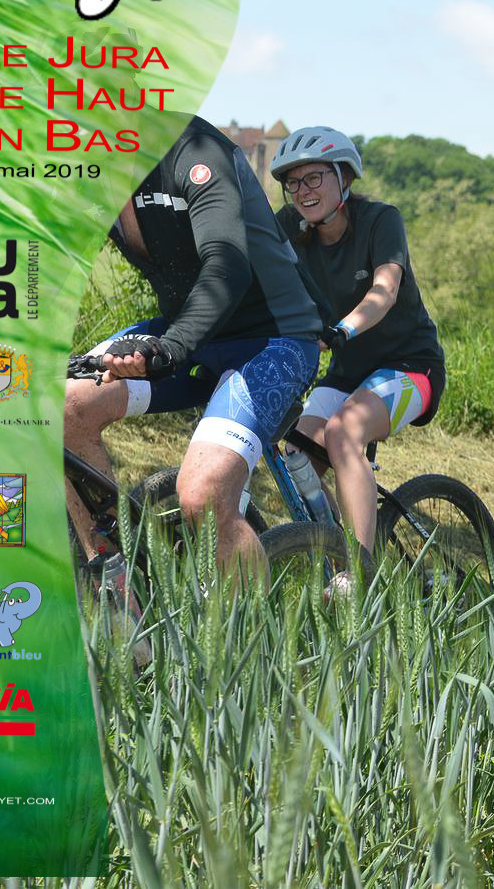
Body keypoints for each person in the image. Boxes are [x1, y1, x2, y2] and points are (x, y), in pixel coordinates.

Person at [65, 115, 324, 640]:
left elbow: (227, 264)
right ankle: (120, 594)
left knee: (203, 494)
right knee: (64, 406)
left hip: (271, 338)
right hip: (186, 332)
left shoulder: (194, 149)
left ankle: (250, 657)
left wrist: (170, 348)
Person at [271, 126, 447, 566]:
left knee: (343, 431)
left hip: (411, 366)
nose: (303, 191)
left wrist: (342, 330)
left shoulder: (380, 220)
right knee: (296, 459)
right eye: (293, 182)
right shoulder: (289, 226)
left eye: (314, 177)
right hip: (347, 373)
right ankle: (336, 554)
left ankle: (361, 572)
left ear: (344, 177)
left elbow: (384, 291)